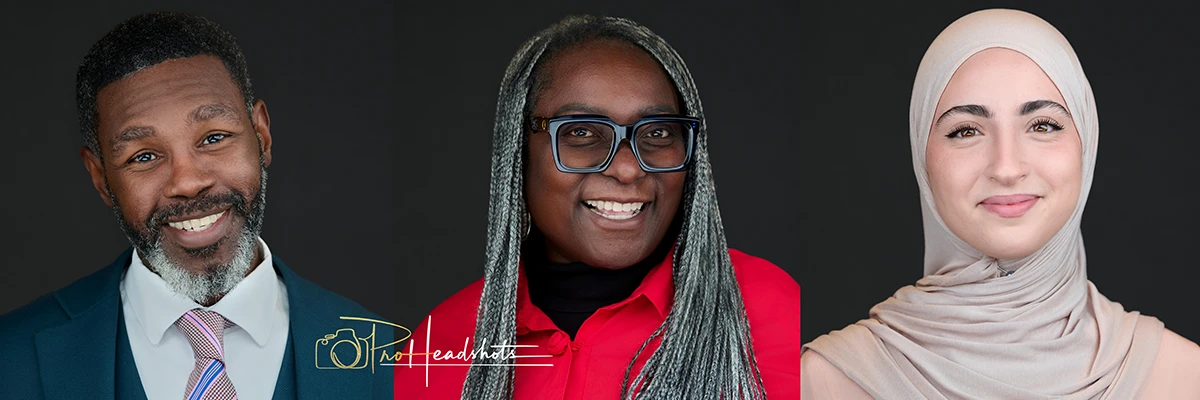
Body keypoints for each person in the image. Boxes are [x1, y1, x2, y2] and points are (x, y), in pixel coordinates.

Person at [394, 15, 800, 400]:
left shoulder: (773, 312)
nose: (627, 168)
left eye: (658, 132)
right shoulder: (436, 350)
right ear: (518, 152)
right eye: (581, 132)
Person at [801, 9, 1200, 399]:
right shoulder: (825, 382)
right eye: (966, 131)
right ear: (922, 157)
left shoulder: (1184, 375)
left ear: (1087, 146)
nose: (1006, 167)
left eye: (1043, 125)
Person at [0, 12, 393, 399]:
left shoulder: (389, 358)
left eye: (214, 137)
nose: (187, 182)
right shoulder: (10, 359)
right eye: (143, 156)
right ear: (101, 178)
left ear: (262, 137)